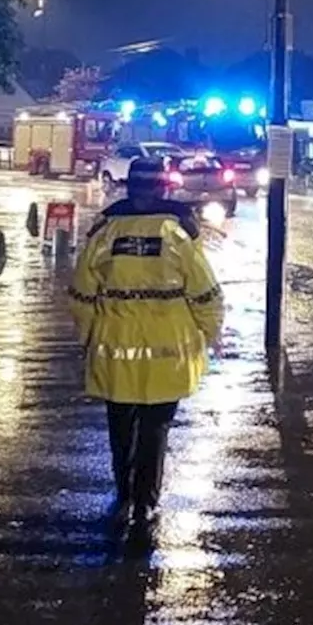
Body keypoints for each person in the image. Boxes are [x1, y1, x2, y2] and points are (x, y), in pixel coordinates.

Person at [69, 157, 224, 533]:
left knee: (120, 427)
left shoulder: (104, 233)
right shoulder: (178, 235)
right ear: (162, 188)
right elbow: (204, 292)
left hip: (114, 347)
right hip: (168, 353)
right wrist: (211, 332)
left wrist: (88, 336)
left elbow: (82, 294)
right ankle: (145, 504)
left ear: (129, 186)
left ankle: (124, 495)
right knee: (156, 429)